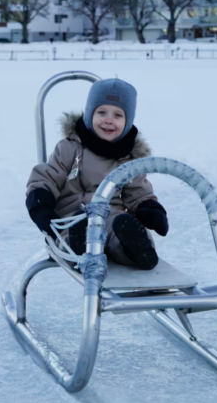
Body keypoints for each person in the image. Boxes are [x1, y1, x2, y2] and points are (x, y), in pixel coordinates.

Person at [25, 78, 168, 270]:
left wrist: (149, 208)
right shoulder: (70, 148)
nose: (108, 119)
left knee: (119, 228)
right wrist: (40, 203)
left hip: (110, 217)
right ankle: (80, 247)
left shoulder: (129, 158)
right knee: (70, 236)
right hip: (71, 218)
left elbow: (138, 192)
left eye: (118, 115)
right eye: (101, 112)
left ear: (128, 122)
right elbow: (47, 177)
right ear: (89, 114)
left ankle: (134, 248)